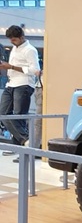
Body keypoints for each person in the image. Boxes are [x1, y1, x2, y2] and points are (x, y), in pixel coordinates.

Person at [0, 25, 40, 158]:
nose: (12, 41)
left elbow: (35, 70)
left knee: (19, 115)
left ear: (22, 37)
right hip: (11, 83)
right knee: (3, 114)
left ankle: (23, 145)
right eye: (10, 39)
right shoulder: (15, 48)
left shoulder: (30, 50)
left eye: (14, 39)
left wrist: (11, 66)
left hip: (24, 84)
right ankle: (24, 142)